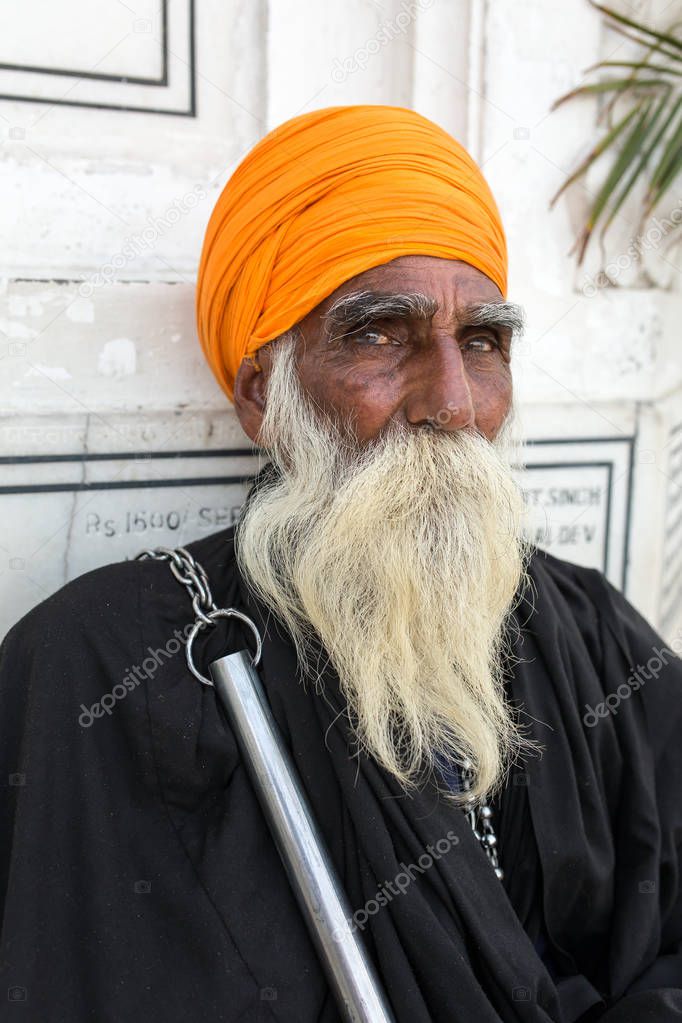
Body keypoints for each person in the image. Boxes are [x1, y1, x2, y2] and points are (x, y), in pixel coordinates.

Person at [1, 104, 681, 1023]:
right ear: (261, 396)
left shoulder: (587, 628)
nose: (452, 400)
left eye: (481, 341)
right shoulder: (113, 663)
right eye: (380, 335)